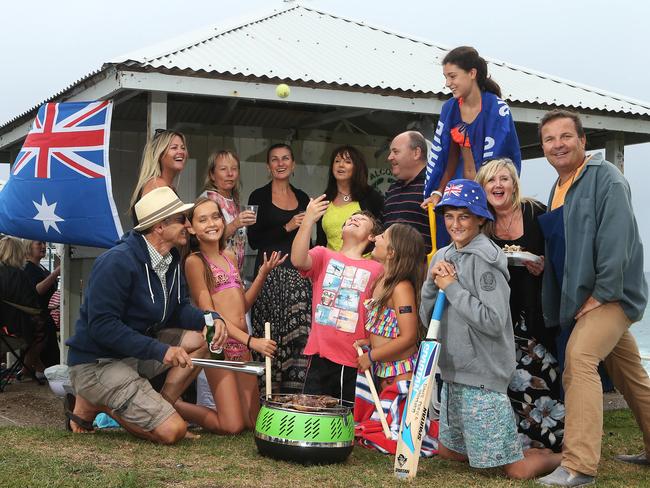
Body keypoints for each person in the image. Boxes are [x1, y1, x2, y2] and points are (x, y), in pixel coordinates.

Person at [535, 110, 650, 487]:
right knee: (631, 377)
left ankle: (579, 466)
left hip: (610, 297)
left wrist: (601, 294)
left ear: (583, 141)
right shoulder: (558, 187)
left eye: (566, 136)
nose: (558, 145)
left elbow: (619, 241)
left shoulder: (607, 179)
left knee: (580, 358)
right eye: (550, 139)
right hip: (581, 299)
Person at [421, 179, 561, 480]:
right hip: (454, 372)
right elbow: (428, 319)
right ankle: (521, 448)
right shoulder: (442, 255)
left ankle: (565, 457)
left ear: (481, 219)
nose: (455, 224)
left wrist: (453, 288)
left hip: (482, 377)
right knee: (451, 452)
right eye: (449, 216)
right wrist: (432, 285)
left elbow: (494, 321)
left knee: (513, 470)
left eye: (464, 216)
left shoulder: (486, 260)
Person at [65, 187, 227, 444]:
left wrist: (211, 320)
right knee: (172, 432)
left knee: (203, 339)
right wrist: (161, 350)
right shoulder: (116, 262)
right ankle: (97, 403)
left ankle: (161, 408)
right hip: (97, 363)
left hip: (134, 354)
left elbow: (178, 308)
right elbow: (102, 326)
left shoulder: (172, 258)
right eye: (180, 219)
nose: (188, 224)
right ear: (160, 226)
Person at [475, 158, 564, 451]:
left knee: (542, 377)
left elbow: (561, 254)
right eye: (491, 180)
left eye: (504, 179)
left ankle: (550, 441)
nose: (498, 185)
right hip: (501, 315)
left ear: (514, 184)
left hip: (536, 312)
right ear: (483, 187)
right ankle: (515, 443)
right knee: (508, 380)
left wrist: (545, 266)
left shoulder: (536, 212)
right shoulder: (481, 223)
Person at [179, 197, 282, 433]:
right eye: (202, 220)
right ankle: (173, 404)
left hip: (242, 346)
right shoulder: (194, 262)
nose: (211, 223)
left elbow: (242, 306)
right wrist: (252, 341)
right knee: (232, 426)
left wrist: (262, 275)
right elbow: (211, 316)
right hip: (219, 346)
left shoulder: (230, 256)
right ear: (192, 228)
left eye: (216, 217)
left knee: (251, 423)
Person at [292, 195, 383, 404]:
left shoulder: (377, 269)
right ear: (341, 232)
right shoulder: (324, 255)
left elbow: (380, 313)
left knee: (346, 419)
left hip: (354, 359)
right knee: (312, 412)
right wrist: (308, 221)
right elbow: (298, 259)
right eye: (351, 218)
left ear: (371, 236)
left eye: (361, 220)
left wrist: (373, 341)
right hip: (319, 355)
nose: (355, 219)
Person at [247, 143, 312, 393]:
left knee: (299, 335)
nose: (281, 163)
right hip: (269, 276)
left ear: (293, 164)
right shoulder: (258, 197)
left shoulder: (303, 197)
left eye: (285, 158)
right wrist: (287, 227)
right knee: (269, 334)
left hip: (296, 277)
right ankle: (267, 395)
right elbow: (254, 240)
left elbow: (308, 241)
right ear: (268, 166)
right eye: (275, 159)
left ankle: (294, 395)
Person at [424, 46, 521, 209]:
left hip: (490, 200)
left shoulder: (497, 109)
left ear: (472, 73)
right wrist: (438, 192)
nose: (448, 83)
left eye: (452, 76)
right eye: (446, 77)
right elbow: (449, 159)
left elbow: (501, 164)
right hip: (458, 197)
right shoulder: (450, 109)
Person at [355, 223, 424, 389]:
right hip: (383, 371)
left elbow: (409, 337)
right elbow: (388, 329)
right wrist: (369, 341)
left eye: (382, 236)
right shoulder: (380, 280)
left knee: (395, 416)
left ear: (391, 253)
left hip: (401, 372)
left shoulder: (401, 288)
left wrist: (372, 355)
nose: (376, 237)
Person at [316, 145, 384, 250]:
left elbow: (381, 234)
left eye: (348, 162)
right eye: (337, 161)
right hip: (331, 264)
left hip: (363, 264)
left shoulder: (371, 196)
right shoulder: (325, 199)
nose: (341, 165)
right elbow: (320, 241)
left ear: (357, 167)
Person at [200, 150, 256, 274]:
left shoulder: (233, 201)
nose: (230, 174)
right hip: (215, 273)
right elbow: (207, 238)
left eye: (234, 169)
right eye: (223, 169)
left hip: (233, 273)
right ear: (212, 175)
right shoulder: (208, 199)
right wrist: (235, 224)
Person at [0, 236, 46, 377]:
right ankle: (33, 369)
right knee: (42, 329)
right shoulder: (20, 276)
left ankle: (32, 369)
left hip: (3, 328)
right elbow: (32, 305)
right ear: (18, 253)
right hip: (14, 331)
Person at [382, 131, 432, 255]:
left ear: (416, 153)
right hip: (389, 268)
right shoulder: (393, 188)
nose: (389, 157)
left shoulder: (434, 188)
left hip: (419, 271)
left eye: (396, 151)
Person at [129, 129, 188, 224]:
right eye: (174, 148)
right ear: (160, 154)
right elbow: (168, 228)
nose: (180, 152)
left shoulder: (168, 187)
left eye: (183, 148)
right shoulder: (157, 185)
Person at [23, 240, 60, 369]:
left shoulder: (40, 268)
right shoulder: (28, 268)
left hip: (45, 315)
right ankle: (28, 369)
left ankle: (30, 369)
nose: (43, 246)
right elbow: (38, 290)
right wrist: (56, 273)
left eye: (44, 243)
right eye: (39, 243)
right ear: (29, 246)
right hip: (38, 317)